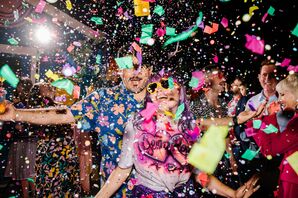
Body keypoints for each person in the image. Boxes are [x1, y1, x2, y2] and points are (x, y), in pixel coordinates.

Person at [0, 49, 152, 197]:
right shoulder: (104, 99)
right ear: (120, 70)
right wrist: (17, 114)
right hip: (113, 191)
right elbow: (65, 114)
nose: (135, 73)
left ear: (150, 70)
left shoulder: (163, 102)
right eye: (128, 67)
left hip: (157, 191)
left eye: (140, 67)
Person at [95, 73, 260, 198]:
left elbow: (199, 174)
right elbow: (122, 171)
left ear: (180, 92)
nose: (160, 90)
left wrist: (233, 194)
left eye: (166, 85)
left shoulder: (189, 128)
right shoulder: (136, 124)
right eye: (153, 87)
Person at [248, 73, 298, 198]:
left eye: (282, 94)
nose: (279, 99)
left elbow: (269, 149)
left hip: (293, 178)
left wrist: (269, 117)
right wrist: (254, 125)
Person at [27, 83, 81, 197]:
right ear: (38, 93)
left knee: (62, 183)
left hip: (63, 149)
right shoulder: (40, 107)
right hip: (52, 150)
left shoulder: (55, 106)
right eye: (44, 85)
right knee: (52, 183)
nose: (48, 85)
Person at [3, 78, 35, 198]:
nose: (18, 88)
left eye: (20, 86)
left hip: (25, 141)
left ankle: (28, 194)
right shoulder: (27, 103)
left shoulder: (24, 104)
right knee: (27, 171)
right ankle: (32, 193)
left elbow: (19, 124)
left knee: (24, 171)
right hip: (24, 140)